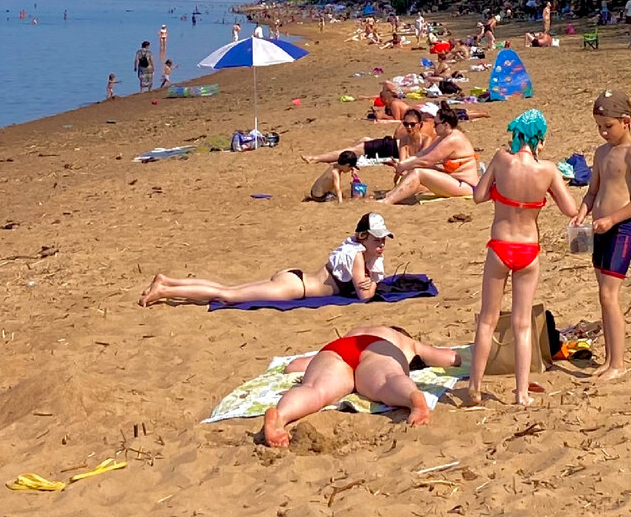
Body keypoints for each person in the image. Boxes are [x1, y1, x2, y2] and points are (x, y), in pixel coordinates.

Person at [468, 111, 577, 406]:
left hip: (500, 245)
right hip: (528, 248)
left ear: (516, 135)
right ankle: (521, 393)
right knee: (522, 323)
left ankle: (475, 388)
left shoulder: (502, 160)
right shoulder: (549, 170)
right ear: (539, 139)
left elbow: (478, 196)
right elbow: (570, 209)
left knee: (488, 320)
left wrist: (496, 191)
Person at [261, 325, 461, 448]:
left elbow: (293, 366)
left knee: (315, 390)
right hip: (379, 347)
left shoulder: (354, 332)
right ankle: (413, 399)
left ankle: (280, 416)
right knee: (388, 379)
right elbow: (450, 358)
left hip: (337, 347)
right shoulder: (404, 340)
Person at [138, 212, 393, 306]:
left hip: (294, 278)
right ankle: (163, 291)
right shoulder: (358, 256)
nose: (381, 244)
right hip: (295, 288)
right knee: (225, 295)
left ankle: (167, 282)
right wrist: (372, 280)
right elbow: (365, 295)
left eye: (383, 239)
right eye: (376, 239)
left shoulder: (351, 247)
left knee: (226, 289)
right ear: (363, 237)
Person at [570, 89, 631, 381]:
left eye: (609, 126)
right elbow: (593, 190)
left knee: (609, 295)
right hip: (599, 229)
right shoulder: (601, 152)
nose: (604, 133)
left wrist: (612, 219)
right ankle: (608, 359)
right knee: (603, 296)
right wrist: (582, 211)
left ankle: (618, 362)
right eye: (599, 127)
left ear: (626, 121)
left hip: (621, 228)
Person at [379, 110, 480, 204]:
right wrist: (403, 164)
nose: (433, 127)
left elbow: (426, 160)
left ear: (445, 125)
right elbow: (423, 154)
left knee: (418, 172)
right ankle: (388, 196)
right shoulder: (444, 137)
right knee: (418, 170)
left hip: (466, 185)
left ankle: (387, 201)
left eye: (436, 124)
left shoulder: (453, 139)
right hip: (455, 180)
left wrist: (404, 166)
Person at [304, 108, 435, 167]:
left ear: (420, 124)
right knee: (356, 148)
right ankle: (316, 158)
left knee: (360, 145)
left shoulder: (425, 139)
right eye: (406, 124)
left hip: (389, 147)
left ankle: (320, 158)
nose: (409, 127)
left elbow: (420, 159)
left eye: (412, 125)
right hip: (389, 146)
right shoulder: (406, 140)